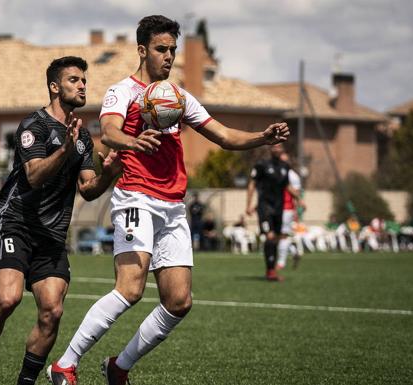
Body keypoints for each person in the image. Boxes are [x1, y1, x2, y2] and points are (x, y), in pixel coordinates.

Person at [48, 15, 289, 385]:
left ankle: (119, 367)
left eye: (173, 50)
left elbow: (223, 135)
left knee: (178, 301)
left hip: (172, 205)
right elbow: (109, 131)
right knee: (129, 288)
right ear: (143, 50)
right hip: (135, 198)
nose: (169, 57)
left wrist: (263, 137)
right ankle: (65, 364)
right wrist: (132, 141)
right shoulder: (122, 91)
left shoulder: (177, 98)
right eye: (162, 49)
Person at [0, 56, 122, 385]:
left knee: (52, 311)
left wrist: (109, 175)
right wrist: (64, 149)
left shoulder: (83, 138)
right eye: (74, 80)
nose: (83, 85)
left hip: (51, 236)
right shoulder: (34, 126)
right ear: (55, 87)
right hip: (15, 222)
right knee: (7, 299)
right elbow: (33, 176)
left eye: (84, 80)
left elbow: (87, 189)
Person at [245, 144, 290, 281]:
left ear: (282, 149)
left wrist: (299, 199)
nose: (277, 149)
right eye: (274, 147)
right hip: (265, 207)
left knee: (275, 239)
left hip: (278, 207)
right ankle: (271, 271)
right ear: (270, 149)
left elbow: (287, 186)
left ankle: (271, 269)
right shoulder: (261, 165)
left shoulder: (285, 166)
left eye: (279, 147)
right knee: (269, 236)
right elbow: (252, 184)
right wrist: (249, 204)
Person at [276, 152, 304, 270]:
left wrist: (297, 211)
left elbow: (297, 194)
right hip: (275, 207)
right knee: (276, 235)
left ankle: (281, 262)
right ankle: (293, 251)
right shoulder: (275, 172)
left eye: (284, 160)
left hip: (286, 208)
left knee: (282, 234)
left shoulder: (293, 176)